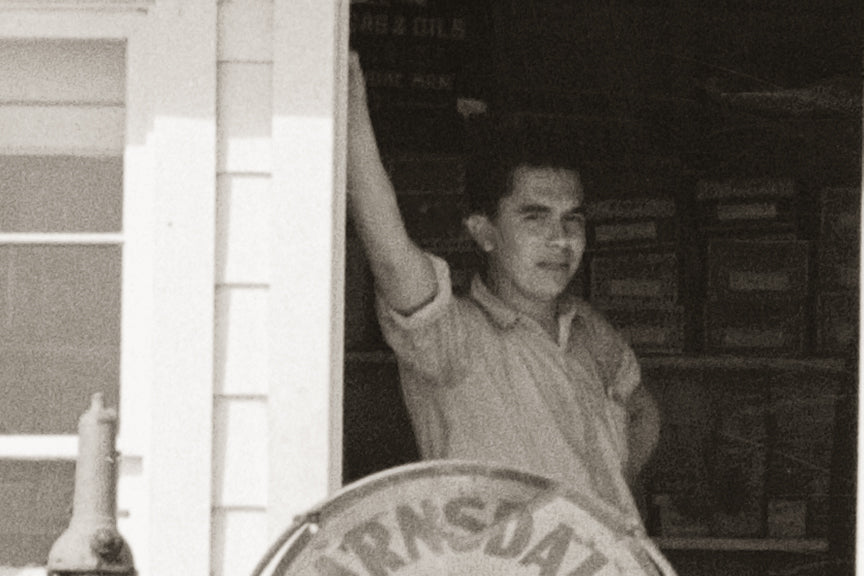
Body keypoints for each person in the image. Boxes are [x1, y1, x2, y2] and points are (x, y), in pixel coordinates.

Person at [346, 51, 660, 525]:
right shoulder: (452, 339)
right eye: (535, 217)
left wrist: (610, 498)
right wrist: (352, 122)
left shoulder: (588, 331)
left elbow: (643, 410)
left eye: (571, 218)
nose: (560, 239)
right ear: (484, 231)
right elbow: (391, 258)